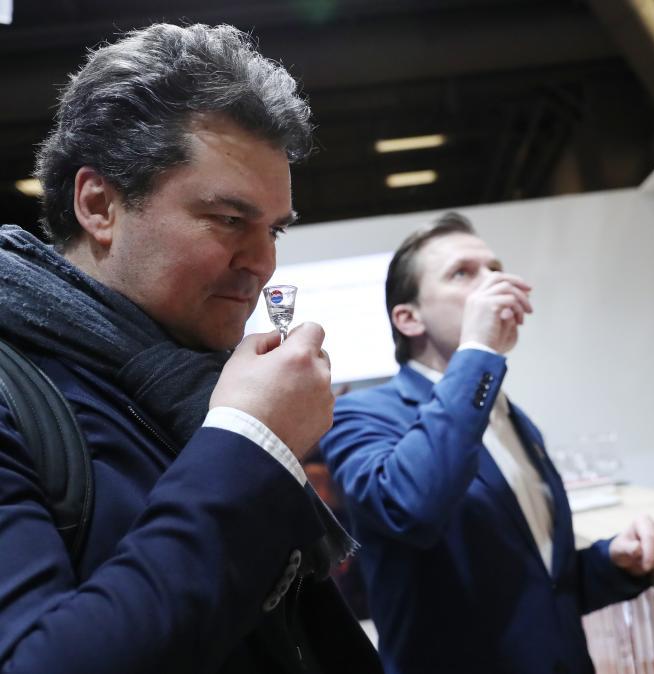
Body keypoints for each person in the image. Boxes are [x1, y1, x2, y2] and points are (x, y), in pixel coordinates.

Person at [0, 23, 382, 673]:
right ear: (99, 204)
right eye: (229, 220)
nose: (263, 262)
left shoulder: (188, 382)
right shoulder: (15, 397)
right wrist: (248, 442)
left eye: (274, 230)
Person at [321, 213, 654, 674]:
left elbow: (540, 588)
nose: (494, 283)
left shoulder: (509, 416)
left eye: (495, 268)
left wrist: (613, 562)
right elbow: (410, 507)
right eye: (462, 273)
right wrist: (478, 352)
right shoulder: (361, 414)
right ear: (408, 318)